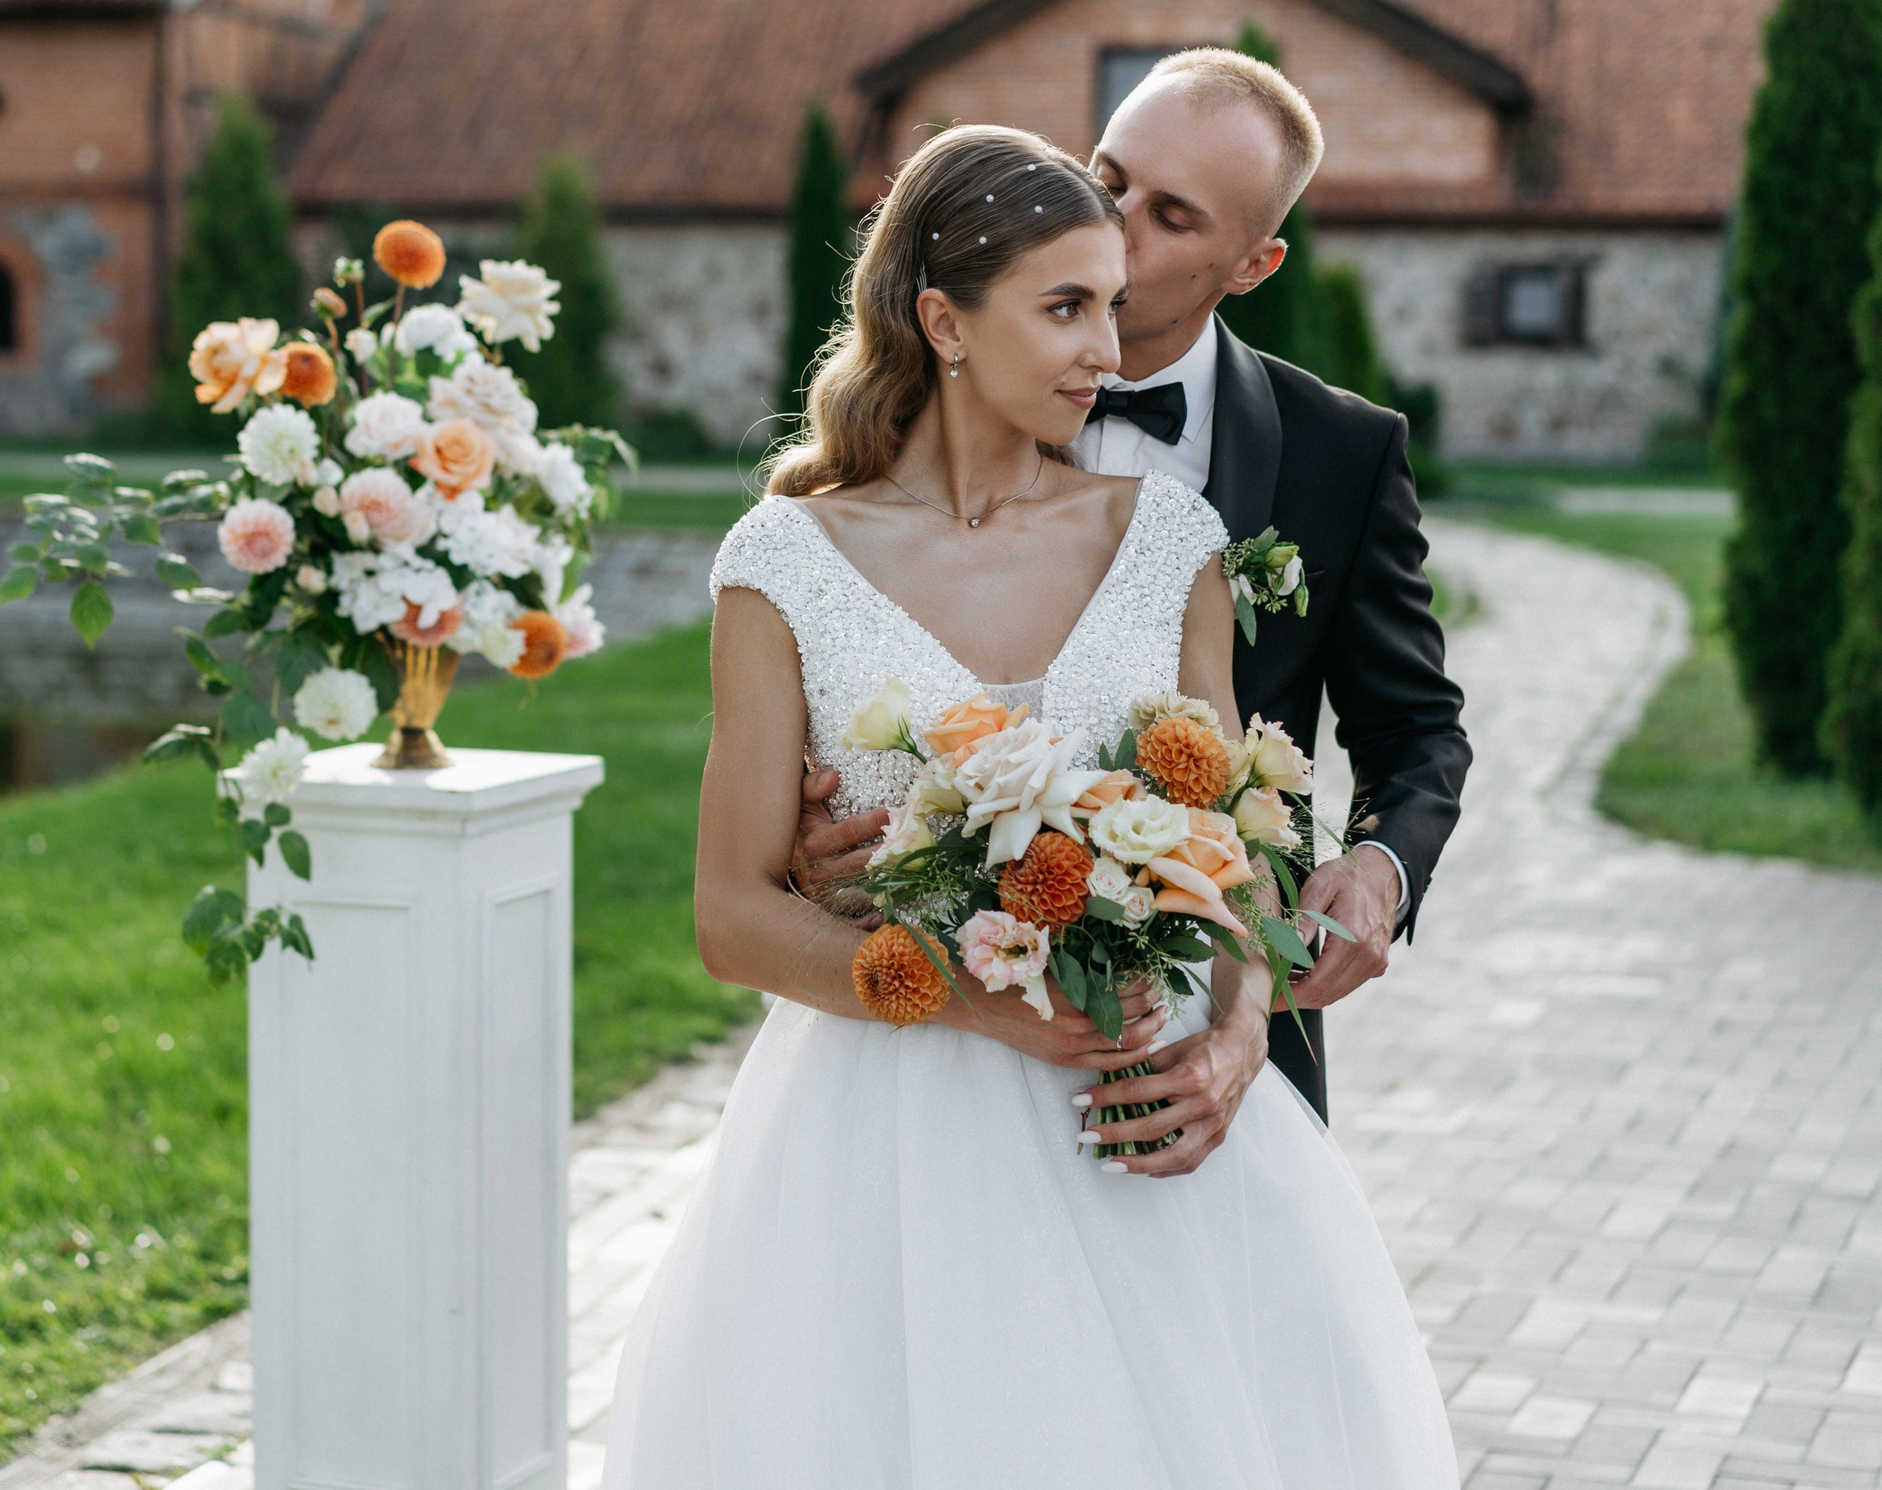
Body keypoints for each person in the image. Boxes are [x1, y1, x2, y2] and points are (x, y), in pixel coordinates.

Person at [601, 123, 1456, 1487]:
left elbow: (1231, 854)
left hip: (1147, 1115)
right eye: (1066, 307)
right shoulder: (785, 562)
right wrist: (969, 995)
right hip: (884, 1142)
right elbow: (729, 913)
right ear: (943, 320)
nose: (1107, 349)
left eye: (1112, 305)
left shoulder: (1171, 540)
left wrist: (1238, 1018)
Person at [791, 47, 1470, 1131]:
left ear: (1253, 264)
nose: (1113, 223)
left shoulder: (1341, 453)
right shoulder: (928, 403)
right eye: (1107, 178)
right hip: (935, 1042)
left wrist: (1380, 868)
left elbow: (1415, 727)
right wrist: (811, 834)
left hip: (1214, 1024)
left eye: (1171, 215)